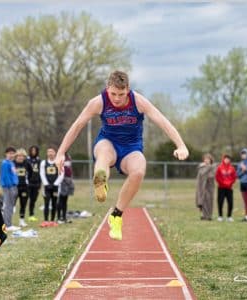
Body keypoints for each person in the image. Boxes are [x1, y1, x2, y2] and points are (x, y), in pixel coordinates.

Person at [55, 70, 189, 240]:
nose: (117, 98)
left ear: (128, 89)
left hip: (131, 147)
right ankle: (100, 180)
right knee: (103, 153)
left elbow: (162, 121)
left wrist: (181, 145)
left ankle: (116, 215)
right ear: (107, 88)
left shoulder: (139, 101)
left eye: (121, 94)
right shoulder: (98, 102)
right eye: (113, 93)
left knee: (139, 170)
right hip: (108, 141)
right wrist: (60, 153)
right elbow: (77, 126)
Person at [40, 146, 64, 227]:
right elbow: (42, 174)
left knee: (54, 203)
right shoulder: (43, 163)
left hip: (55, 186)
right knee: (46, 203)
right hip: (47, 187)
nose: (50, 153)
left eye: (52, 151)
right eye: (48, 152)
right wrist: (46, 183)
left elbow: (61, 174)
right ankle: (46, 220)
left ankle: (53, 220)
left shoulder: (59, 162)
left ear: (55, 153)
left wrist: (55, 184)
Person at [0, 147, 20, 231]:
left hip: (13, 186)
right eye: (9, 153)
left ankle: (8, 223)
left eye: (13, 153)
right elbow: (5, 177)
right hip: (8, 187)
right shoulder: (5, 163)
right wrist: (10, 186)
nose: (11, 155)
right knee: (8, 206)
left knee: (11, 206)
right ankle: (7, 225)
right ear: (6, 154)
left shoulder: (11, 163)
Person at [14, 148, 33, 227]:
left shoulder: (27, 163)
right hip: (14, 187)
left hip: (24, 187)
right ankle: (7, 221)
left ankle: (21, 221)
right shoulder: (13, 163)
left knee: (23, 204)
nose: (20, 157)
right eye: (19, 156)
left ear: (24, 157)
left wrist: (27, 181)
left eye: (22, 156)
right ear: (16, 156)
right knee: (12, 204)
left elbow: (31, 172)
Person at [215, 154, 237, 222]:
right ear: (223, 159)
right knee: (220, 202)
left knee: (230, 202)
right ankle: (220, 216)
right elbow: (217, 177)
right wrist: (222, 183)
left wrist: (230, 183)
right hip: (221, 188)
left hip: (229, 188)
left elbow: (234, 177)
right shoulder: (220, 167)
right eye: (225, 159)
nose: (227, 160)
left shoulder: (232, 168)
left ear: (229, 160)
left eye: (228, 159)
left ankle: (229, 216)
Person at [196, 153, 215, 221]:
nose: (206, 160)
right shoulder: (201, 167)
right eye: (205, 159)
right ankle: (204, 215)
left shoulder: (212, 167)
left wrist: (208, 167)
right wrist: (203, 167)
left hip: (209, 186)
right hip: (201, 186)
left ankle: (209, 216)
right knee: (203, 201)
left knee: (209, 200)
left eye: (208, 159)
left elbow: (211, 176)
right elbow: (200, 174)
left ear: (210, 160)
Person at [57, 153, 75, 224]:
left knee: (65, 200)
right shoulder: (59, 157)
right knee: (60, 199)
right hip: (62, 180)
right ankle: (59, 217)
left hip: (68, 180)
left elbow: (70, 169)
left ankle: (64, 217)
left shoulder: (68, 156)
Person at [27, 145, 41, 222]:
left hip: (36, 183)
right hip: (28, 183)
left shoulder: (39, 160)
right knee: (26, 199)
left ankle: (31, 215)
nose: (33, 152)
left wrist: (40, 183)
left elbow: (40, 172)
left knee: (33, 199)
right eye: (32, 150)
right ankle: (21, 216)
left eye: (35, 150)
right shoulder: (27, 160)